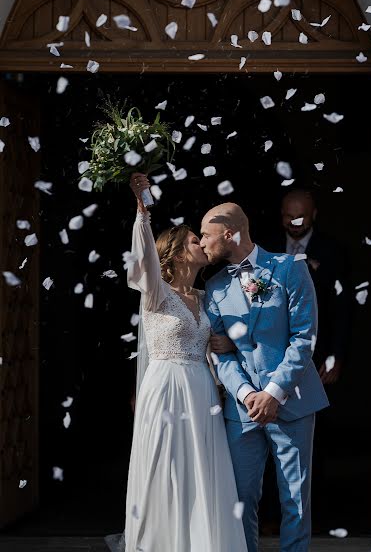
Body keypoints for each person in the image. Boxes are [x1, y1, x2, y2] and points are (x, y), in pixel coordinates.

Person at [108, 174, 248, 552]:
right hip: (166, 390)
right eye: (193, 240)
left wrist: (222, 346)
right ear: (175, 252)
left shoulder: (205, 298)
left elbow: (212, 343)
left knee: (201, 470)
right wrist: (143, 208)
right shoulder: (156, 293)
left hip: (201, 390)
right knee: (165, 467)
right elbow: (143, 262)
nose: (202, 243)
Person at [200, 202, 329, 552]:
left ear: (230, 234)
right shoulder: (213, 287)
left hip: (292, 402)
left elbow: (304, 338)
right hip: (242, 411)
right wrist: (245, 394)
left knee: (295, 500)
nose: (201, 243)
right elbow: (220, 351)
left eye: (207, 236)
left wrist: (273, 392)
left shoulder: (290, 269)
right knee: (239, 499)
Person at [271, 189, 352, 383]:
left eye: (301, 217)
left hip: (318, 350)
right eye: (290, 217)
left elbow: (342, 308)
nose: (295, 222)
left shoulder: (333, 251)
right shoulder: (268, 246)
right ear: (282, 215)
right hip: (274, 353)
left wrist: (336, 355)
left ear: (314, 214)